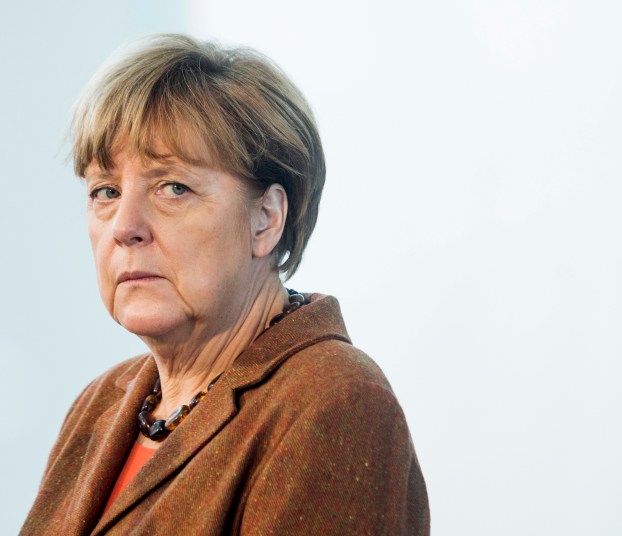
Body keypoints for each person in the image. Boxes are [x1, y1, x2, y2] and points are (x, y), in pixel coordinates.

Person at [22, 33, 429, 535]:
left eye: (173, 187)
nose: (124, 226)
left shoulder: (333, 401)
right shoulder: (99, 403)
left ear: (265, 219)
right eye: (104, 191)